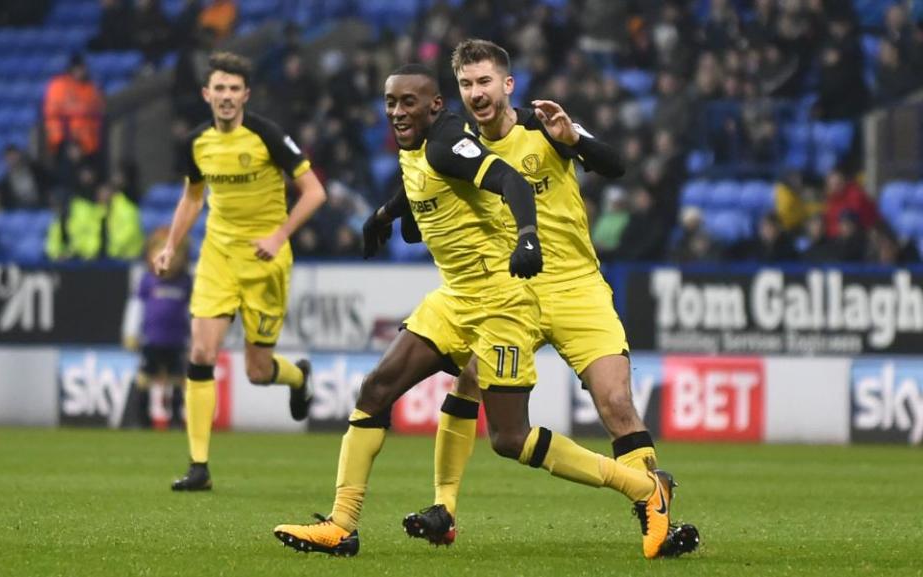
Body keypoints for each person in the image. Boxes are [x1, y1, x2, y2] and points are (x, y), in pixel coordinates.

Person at [272, 63, 673, 560]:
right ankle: (342, 524)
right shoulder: (425, 142)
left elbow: (515, 182)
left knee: (510, 437)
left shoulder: (463, 138)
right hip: (458, 295)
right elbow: (426, 179)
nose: (398, 111)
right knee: (376, 388)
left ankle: (643, 488)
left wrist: (528, 236)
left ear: (438, 104)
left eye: (408, 103)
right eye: (391, 102)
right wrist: (384, 216)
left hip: (504, 298)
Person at [398, 40, 696, 558]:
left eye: (485, 82)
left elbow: (617, 165)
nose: (476, 93)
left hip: (576, 285)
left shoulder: (544, 124)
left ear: (507, 84)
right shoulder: (458, 142)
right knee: (470, 379)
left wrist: (574, 137)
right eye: (467, 84)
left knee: (616, 402)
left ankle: (656, 513)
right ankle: (443, 507)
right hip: (512, 288)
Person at [153, 52, 326, 491]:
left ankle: (298, 376)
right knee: (201, 354)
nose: (226, 97)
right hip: (217, 256)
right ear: (206, 94)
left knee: (256, 370)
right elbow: (192, 198)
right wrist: (171, 247)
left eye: (234, 89)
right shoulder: (197, 143)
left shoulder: (267, 135)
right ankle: (198, 466)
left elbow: (314, 192)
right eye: (220, 89)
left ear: (245, 95)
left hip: (265, 262)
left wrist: (279, 235)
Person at [123, 227, 192, 429]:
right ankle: (140, 418)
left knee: (177, 379)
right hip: (151, 340)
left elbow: (193, 312)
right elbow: (136, 307)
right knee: (144, 378)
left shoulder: (186, 282)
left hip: (177, 340)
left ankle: (176, 418)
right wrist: (130, 333)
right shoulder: (146, 281)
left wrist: (195, 339)